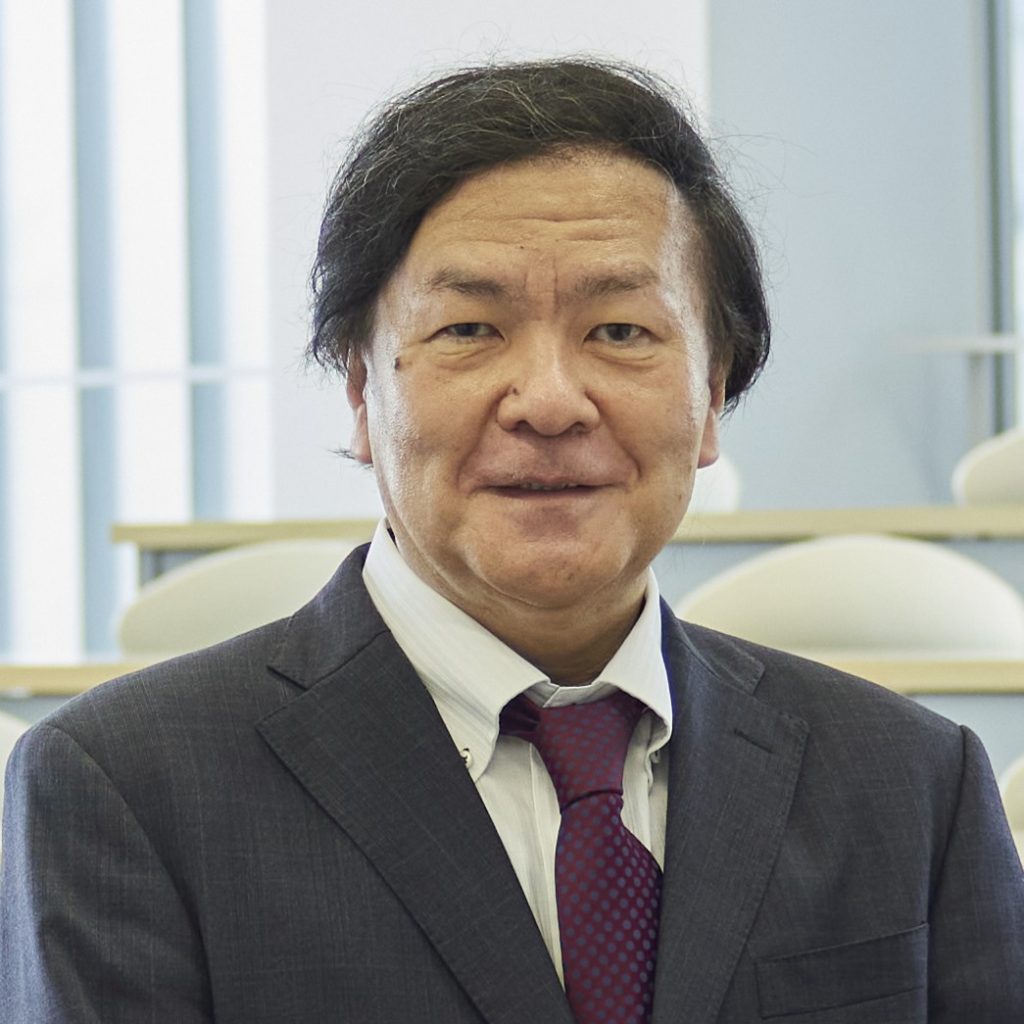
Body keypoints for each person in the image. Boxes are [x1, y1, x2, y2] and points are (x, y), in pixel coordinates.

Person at [2, 58, 1022, 1024]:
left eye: (620, 331)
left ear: (712, 395)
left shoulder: (910, 784)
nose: (548, 401)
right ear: (360, 390)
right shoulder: (123, 788)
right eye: (469, 330)